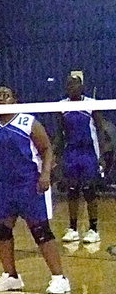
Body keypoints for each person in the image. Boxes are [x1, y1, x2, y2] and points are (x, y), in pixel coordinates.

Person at [0, 86, 70, 294]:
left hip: (29, 184)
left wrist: (45, 175)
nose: (0, 99)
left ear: (15, 100)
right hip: (2, 187)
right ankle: (11, 276)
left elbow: (47, 149)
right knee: (1, 230)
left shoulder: (28, 122)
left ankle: (59, 278)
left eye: (5, 95)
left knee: (41, 231)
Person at [57, 73, 107, 243]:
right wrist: (56, 157)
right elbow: (60, 133)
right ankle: (72, 228)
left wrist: (101, 155)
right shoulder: (61, 106)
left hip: (88, 152)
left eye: (75, 84)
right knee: (72, 191)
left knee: (89, 189)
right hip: (71, 153)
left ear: (82, 86)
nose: (72, 87)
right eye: (69, 85)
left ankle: (93, 229)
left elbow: (100, 130)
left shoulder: (91, 104)